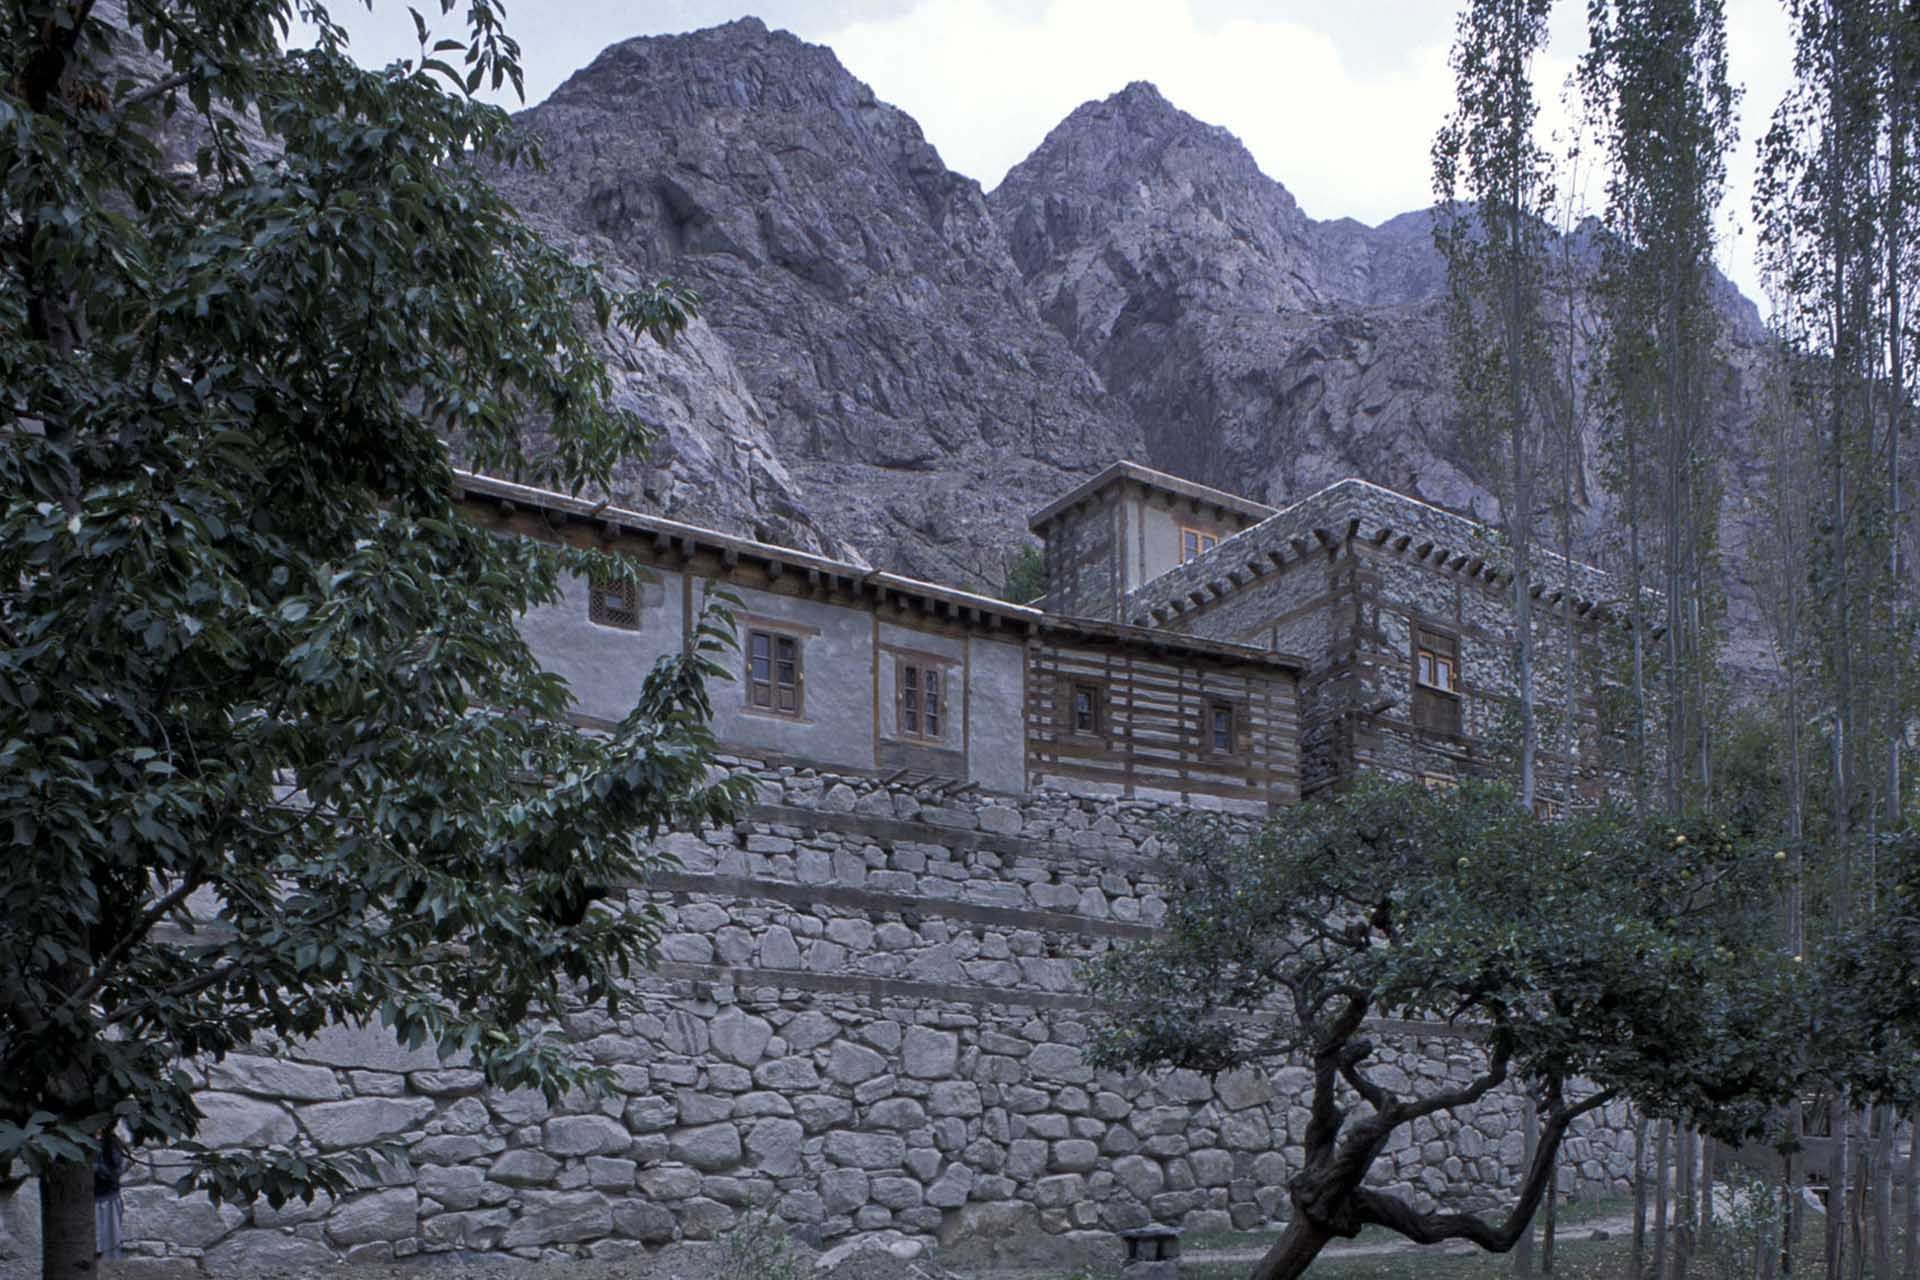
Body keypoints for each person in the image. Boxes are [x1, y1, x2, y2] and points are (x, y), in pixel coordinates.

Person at [93, 1129, 124, 1262]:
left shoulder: (112, 1143)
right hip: (87, 1201)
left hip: (107, 1199)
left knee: (108, 1252)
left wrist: (95, 1168)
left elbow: (113, 1172)